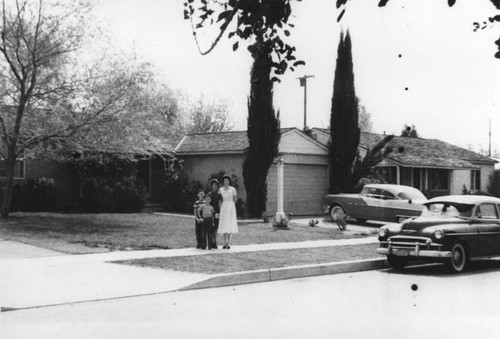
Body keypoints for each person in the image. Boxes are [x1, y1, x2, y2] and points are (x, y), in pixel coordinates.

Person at [218, 175, 238, 249]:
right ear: (223, 182)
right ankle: (225, 242)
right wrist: (221, 208)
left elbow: (235, 198)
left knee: (230, 224)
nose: (226, 182)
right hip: (224, 207)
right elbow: (219, 200)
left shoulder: (232, 189)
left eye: (227, 180)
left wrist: (232, 206)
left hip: (231, 207)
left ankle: (229, 243)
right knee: (224, 224)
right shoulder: (221, 189)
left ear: (229, 181)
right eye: (224, 181)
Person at [207, 178, 222, 249]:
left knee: (215, 228)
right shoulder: (209, 194)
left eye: (216, 185)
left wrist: (220, 212)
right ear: (211, 186)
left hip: (216, 212)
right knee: (210, 228)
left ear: (217, 186)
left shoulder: (219, 194)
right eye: (213, 185)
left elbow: (220, 204)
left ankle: (215, 242)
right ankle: (210, 243)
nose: (214, 186)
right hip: (210, 212)